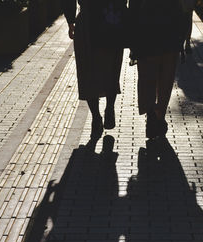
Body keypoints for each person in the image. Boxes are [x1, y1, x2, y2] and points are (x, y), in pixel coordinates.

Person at [63, 0, 127, 140]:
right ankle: (109, 108)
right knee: (111, 68)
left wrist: (70, 19)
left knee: (88, 70)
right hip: (111, 18)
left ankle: (96, 116)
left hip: (88, 23)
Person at [129, 0, 188, 139]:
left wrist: (133, 41)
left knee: (147, 78)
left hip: (146, 36)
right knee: (165, 79)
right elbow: (182, 9)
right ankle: (159, 115)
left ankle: (150, 110)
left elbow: (133, 10)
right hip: (170, 35)